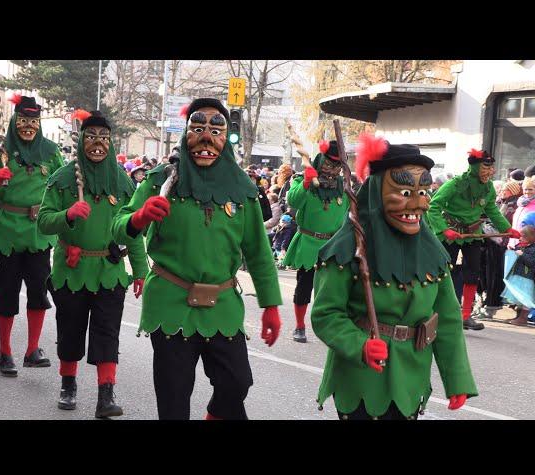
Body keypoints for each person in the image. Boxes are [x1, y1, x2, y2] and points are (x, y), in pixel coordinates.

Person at [111, 98, 282, 420]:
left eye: (216, 131)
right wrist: (140, 217)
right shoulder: (162, 180)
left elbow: (258, 252)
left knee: (237, 383)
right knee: (174, 398)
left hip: (223, 306)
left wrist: (270, 306)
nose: (207, 138)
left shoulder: (243, 188)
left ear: (226, 137)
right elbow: (118, 229)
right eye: (198, 128)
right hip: (171, 304)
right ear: (185, 134)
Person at [312, 134, 477, 420]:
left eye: (424, 192)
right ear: (376, 191)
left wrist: (457, 379)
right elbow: (326, 314)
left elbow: (448, 319)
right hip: (361, 379)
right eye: (404, 193)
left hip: (412, 376)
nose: (418, 204)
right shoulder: (345, 249)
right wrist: (358, 344)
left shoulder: (433, 254)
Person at [38, 110, 148, 418]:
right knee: (71, 330)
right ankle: (68, 384)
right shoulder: (63, 179)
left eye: (103, 138)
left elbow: (133, 231)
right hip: (71, 270)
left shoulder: (123, 182)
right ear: (82, 140)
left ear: (111, 142)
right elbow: (44, 223)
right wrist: (68, 215)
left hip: (110, 271)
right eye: (91, 137)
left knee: (107, 332)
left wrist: (140, 271)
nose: (97, 144)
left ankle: (105, 395)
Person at [0, 94, 64, 377]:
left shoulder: (50, 150)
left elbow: (64, 184)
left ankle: (32, 349)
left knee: (38, 290)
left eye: (33, 121)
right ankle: (5, 351)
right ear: (14, 120)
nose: (28, 126)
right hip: (8, 231)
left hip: (38, 232)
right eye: (23, 120)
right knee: (8, 292)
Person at [427, 148, 520, 330]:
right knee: (446, 273)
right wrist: (444, 229)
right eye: (486, 167)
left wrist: (507, 228)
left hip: (473, 235)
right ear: (476, 167)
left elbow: (492, 210)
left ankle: (465, 315)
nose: (490, 171)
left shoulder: (488, 187)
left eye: (491, 167)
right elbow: (433, 207)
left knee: (473, 274)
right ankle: (440, 312)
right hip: (451, 234)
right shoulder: (454, 184)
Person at [282, 141, 349, 343]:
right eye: (329, 164)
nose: (333, 169)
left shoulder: (343, 187)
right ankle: (300, 326)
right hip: (309, 244)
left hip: (333, 246)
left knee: (335, 291)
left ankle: (331, 328)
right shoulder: (302, 179)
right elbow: (292, 201)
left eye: (337, 165)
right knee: (304, 286)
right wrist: (305, 184)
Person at [502, 217, 535, 327]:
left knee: (524, 298)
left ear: (532, 237)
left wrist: (522, 255)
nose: (521, 238)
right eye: (521, 236)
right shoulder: (523, 246)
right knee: (518, 298)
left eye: (524, 236)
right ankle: (518, 316)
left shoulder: (533, 248)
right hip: (519, 275)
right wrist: (514, 250)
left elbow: (531, 262)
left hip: (527, 278)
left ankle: (523, 318)